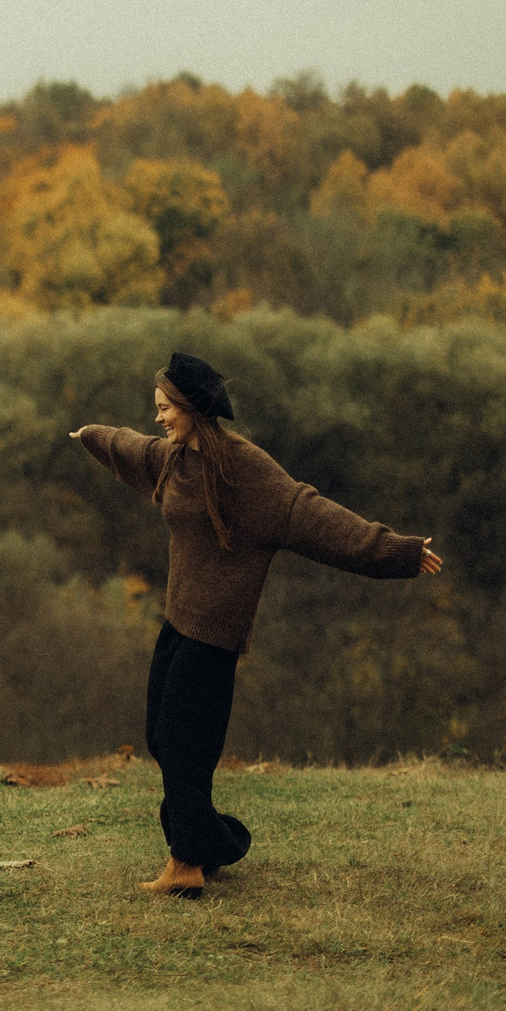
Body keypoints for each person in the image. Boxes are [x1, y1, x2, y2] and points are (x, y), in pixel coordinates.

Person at [72, 351, 444, 900]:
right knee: (161, 736)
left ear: (193, 408)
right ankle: (212, 843)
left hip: (214, 634)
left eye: (165, 409)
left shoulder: (245, 470)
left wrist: (396, 552)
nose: (158, 419)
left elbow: (313, 515)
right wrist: (92, 435)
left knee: (183, 743)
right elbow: (136, 449)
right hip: (178, 621)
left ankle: (187, 864)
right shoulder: (177, 457)